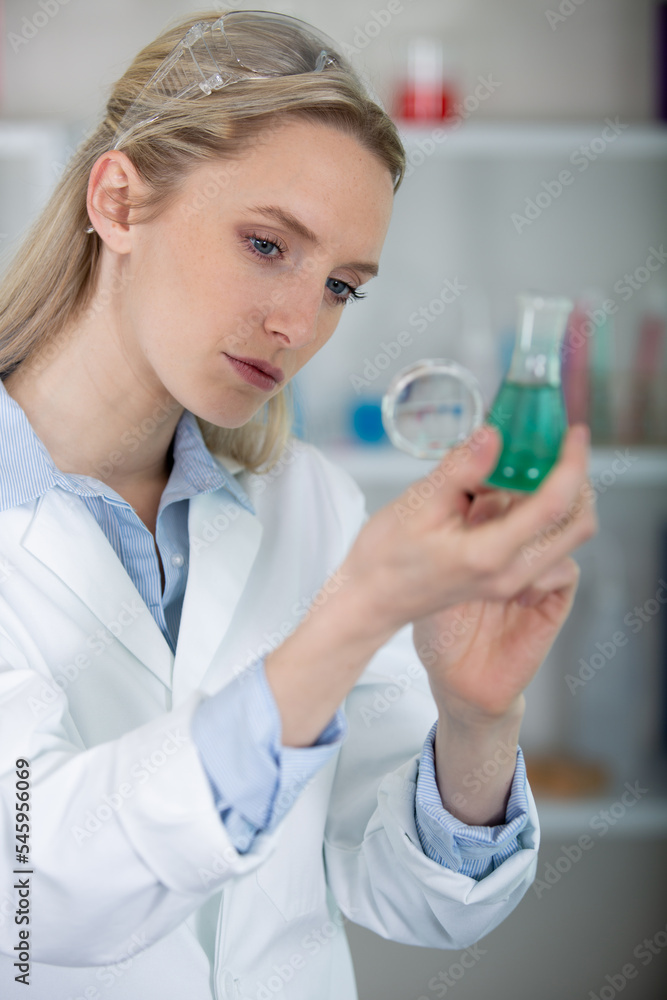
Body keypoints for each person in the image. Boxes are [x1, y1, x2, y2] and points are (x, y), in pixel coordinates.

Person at [0, 9, 596, 1000]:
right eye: (268, 244)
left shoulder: (302, 502)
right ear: (118, 201)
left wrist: (476, 715)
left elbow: (415, 895)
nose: (297, 322)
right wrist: (355, 613)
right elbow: (34, 889)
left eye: (341, 287)